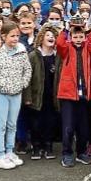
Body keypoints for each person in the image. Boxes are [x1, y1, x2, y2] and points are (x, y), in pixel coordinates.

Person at [56, 19, 91, 168]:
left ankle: (81, 152)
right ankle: (67, 154)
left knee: (83, 127)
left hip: (84, 95)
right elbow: (59, 44)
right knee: (68, 127)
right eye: (75, 37)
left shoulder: (88, 48)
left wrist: (88, 30)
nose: (79, 40)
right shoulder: (66, 49)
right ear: (71, 38)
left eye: (81, 37)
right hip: (68, 95)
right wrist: (66, 30)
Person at [0, 21, 33, 170]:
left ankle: (10, 151)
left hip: (17, 93)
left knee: (12, 124)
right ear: (4, 36)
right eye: (12, 36)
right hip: (2, 94)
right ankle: (1, 153)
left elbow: (27, 70)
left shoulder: (22, 53)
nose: (15, 38)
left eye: (17, 36)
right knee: (1, 124)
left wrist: (22, 84)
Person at [25, 26, 60, 160]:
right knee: (36, 123)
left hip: (52, 96)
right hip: (36, 96)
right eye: (48, 35)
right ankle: (36, 146)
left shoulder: (57, 56)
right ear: (41, 38)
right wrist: (27, 97)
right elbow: (27, 78)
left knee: (50, 122)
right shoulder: (33, 56)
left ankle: (48, 146)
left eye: (53, 36)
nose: (51, 38)